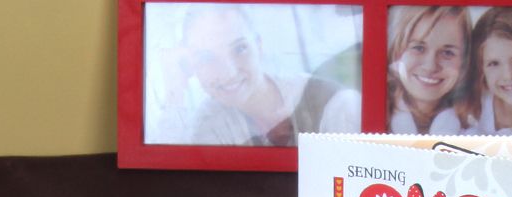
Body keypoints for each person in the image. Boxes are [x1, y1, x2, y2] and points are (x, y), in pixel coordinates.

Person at [153, 4, 360, 147]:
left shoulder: (337, 105)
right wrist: (174, 91)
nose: (229, 73)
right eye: (207, 57)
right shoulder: (209, 122)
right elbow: (167, 180)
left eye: (240, 49)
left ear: (259, 46)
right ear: (192, 66)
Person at [387, 6, 470, 134]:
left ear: (464, 62)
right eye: (419, 48)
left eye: (447, 53)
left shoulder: (475, 125)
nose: (430, 66)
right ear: (397, 52)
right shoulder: (362, 111)